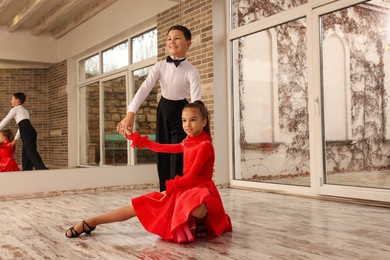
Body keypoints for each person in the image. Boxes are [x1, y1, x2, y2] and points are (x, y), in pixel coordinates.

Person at [66, 101, 232, 243]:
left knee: (193, 206)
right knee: (142, 204)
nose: (187, 125)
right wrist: (135, 138)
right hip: (184, 189)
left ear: (204, 122)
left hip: (200, 191)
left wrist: (171, 188)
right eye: (184, 121)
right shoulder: (187, 142)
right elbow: (161, 147)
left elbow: (191, 177)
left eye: (193, 120)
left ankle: (202, 216)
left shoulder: (205, 145)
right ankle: (92, 221)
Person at [117, 25, 202, 191]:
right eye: (169, 38)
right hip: (163, 110)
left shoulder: (192, 71)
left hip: (182, 112)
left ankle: (178, 192)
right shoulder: (160, 66)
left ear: (188, 43)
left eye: (177, 38)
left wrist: (195, 128)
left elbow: (197, 100)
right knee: (162, 153)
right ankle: (164, 193)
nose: (172, 42)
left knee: (178, 155)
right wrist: (130, 113)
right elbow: (144, 88)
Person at [0, 92, 48, 170]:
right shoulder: (25, 111)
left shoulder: (14, 109)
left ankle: (41, 168)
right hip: (31, 130)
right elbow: (21, 127)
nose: (11, 101)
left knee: (30, 150)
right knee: (26, 150)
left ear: (17, 100)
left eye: (12, 99)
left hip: (26, 130)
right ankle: (26, 169)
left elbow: (5, 121)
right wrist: (15, 139)